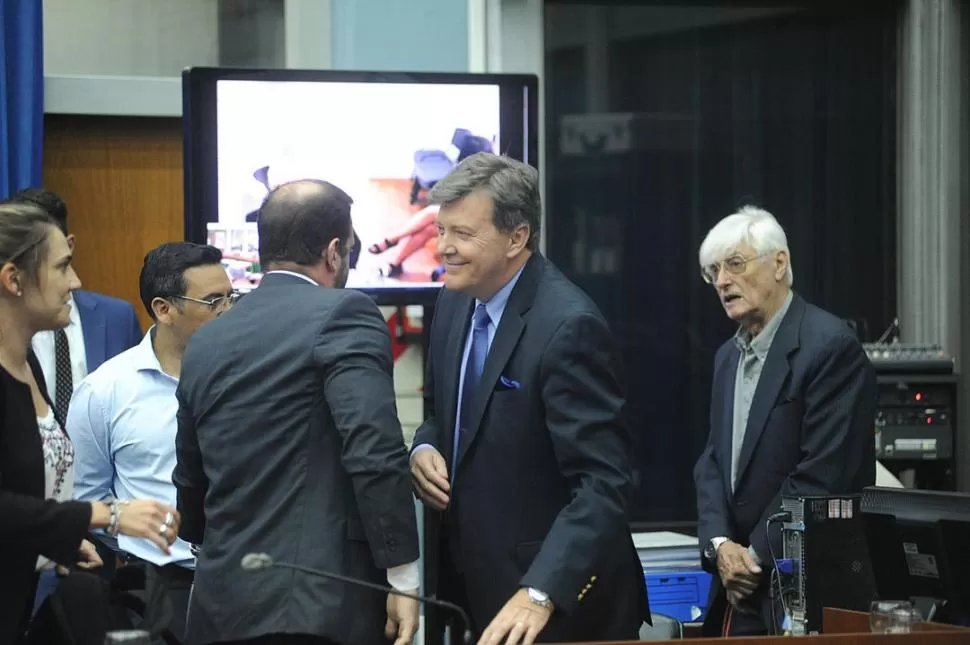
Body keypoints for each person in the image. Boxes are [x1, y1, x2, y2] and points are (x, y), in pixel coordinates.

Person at [410, 152, 650, 644]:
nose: (444, 249)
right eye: (441, 231)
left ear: (516, 237)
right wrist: (424, 447)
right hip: (469, 592)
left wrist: (541, 590)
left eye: (463, 234)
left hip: (558, 608)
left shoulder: (568, 327)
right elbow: (440, 413)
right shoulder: (454, 300)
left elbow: (604, 483)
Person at [173, 179, 421, 645]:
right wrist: (403, 575)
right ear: (333, 252)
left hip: (218, 604)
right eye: (351, 249)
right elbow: (373, 449)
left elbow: (191, 471)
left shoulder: (206, 338)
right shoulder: (347, 312)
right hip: (315, 609)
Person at [0, 203, 180, 645]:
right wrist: (106, 514)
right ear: (13, 279)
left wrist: (55, 541)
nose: (76, 282)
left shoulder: (26, 368)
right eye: (63, 267)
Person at [692, 206, 876, 636]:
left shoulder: (830, 349)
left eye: (735, 264)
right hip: (736, 591)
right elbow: (713, 463)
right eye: (713, 271)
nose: (721, 281)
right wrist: (720, 548)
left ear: (780, 263)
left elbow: (822, 475)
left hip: (803, 588)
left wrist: (750, 558)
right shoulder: (726, 357)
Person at [69, 242, 234, 642]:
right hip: (155, 587)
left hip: (245, 582)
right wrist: (140, 534)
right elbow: (86, 498)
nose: (228, 312)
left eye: (232, 298)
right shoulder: (104, 391)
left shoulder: (252, 379)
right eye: (213, 302)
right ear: (163, 309)